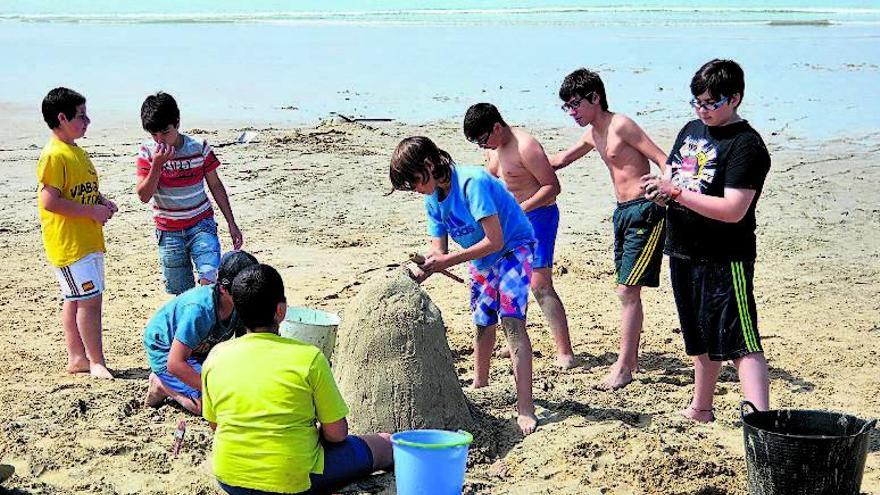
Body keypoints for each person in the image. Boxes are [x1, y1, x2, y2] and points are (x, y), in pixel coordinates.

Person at [642, 59, 771, 422]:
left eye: (711, 103)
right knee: (697, 338)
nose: (702, 110)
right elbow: (672, 175)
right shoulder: (691, 129)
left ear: (735, 99)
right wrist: (659, 191)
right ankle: (701, 407)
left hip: (724, 255)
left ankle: (762, 422)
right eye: (697, 102)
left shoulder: (747, 145)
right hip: (683, 249)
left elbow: (734, 209)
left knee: (741, 342)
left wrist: (676, 194)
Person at [389, 136, 539, 435]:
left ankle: (526, 407)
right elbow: (439, 253)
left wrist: (447, 261)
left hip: (513, 248)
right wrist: (423, 270)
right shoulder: (433, 200)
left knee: (511, 321)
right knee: (483, 323)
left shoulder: (473, 183)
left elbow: (494, 240)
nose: (417, 189)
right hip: (481, 259)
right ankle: (480, 383)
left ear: (429, 165)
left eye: (415, 181)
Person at [203, 264, 394, 494]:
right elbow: (337, 433)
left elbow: (216, 424)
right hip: (291, 479)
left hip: (230, 477)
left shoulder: (216, 357)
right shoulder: (309, 357)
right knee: (385, 444)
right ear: (281, 310)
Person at [549, 68, 668, 390]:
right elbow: (559, 160)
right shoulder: (593, 132)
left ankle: (623, 367)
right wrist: (516, 163)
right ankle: (631, 361)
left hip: (645, 211)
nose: (572, 112)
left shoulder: (621, 125)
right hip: (621, 213)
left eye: (575, 104)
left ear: (595, 98)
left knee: (627, 291)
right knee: (628, 290)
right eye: (567, 107)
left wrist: (665, 185)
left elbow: (662, 158)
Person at [463, 103, 575, 369]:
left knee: (540, 284)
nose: (482, 146)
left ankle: (565, 351)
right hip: (510, 221)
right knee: (509, 282)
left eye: (482, 139)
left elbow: (552, 187)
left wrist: (519, 210)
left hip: (538, 217)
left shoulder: (526, 146)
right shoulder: (493, 151)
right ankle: (514, 338)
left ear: (497, 127)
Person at [37, 87, 117, 379]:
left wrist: (101, 202)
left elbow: (82, 192)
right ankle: (96, 361)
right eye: (81, 116)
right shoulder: (54, 155)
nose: (87, 121)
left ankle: (78, 358)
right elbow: (50, 201)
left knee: (76, 299)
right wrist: (91, 212)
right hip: (70, 245)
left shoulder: (77, 152)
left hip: (89, 240)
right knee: (89, 301)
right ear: (62, 118)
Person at [136, 91, 244, 295]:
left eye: (165, 132)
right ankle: (192, 325)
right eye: (154, 135)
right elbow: (143, 196)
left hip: (200, 223)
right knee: (181, 292)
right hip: (168, 230)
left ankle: (210, 322)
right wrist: (157, 165)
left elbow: (215, 185)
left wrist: (231, 222)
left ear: (177, 122)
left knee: (210, 277)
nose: (160, 140)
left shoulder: (198, 147)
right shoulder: (148, 152)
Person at [143, 250, 258, 415]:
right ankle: (161, 385)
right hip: (166, 349)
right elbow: (175, 363)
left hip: (198, 349)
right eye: (244, 293)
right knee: (208, 407)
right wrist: (215, 389)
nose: (250, 299)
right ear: (224, 289)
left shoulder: (241, 304)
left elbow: (246, 348)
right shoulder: (200, 309)